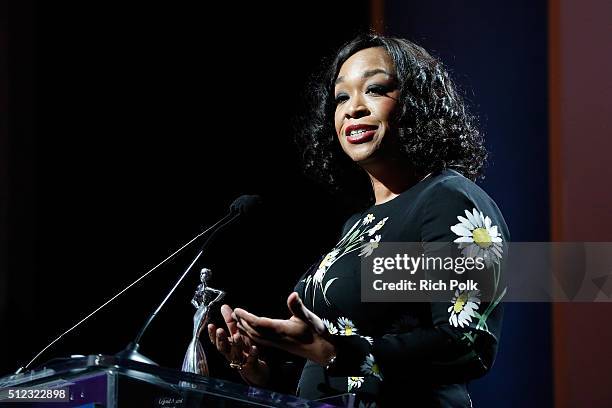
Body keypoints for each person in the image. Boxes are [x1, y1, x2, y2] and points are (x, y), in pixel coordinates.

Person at [207, 33, 509, 407]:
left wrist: (334, 351)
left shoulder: (446, 201)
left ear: (418, 104)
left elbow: (467, 343)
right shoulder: (358, 224)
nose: (354, 108)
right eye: (341, 97)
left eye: (376, 89)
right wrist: (262, 370)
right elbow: (347, 361)